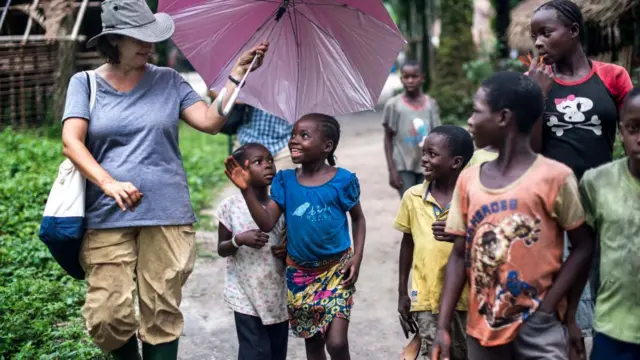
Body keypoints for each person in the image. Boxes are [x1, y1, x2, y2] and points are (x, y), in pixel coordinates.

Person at [60, 0, 269, 357]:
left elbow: (210, 121)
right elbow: (71, 142)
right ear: (114, 41)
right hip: (108, 215)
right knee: (107, 315)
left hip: (167, 213)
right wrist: (108, 183)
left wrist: (236, 75)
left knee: (161, 314)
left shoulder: (169, 80)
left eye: (150, 37)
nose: (148, 45)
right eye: (137, 38)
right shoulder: (86, 83)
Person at [431, 72, 594, 360]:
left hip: (539, 329)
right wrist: (443, 325)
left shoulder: (554, 177)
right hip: (483, 328)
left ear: (503, 118)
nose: (470, 120)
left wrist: (553, 308)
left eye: (477, 111)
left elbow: (583, 246)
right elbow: (458, 255)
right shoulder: (468, 180)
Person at [527, 0, 634, 341]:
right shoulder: (533, 83)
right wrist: (535, 97)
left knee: (609, 283)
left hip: (608, 201)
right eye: (534, 36)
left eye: (546, 33)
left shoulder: (612, 77)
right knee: (576, 297)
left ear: (573, 32)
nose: (539, 43)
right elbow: (529, 152)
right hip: (557, 207)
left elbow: (632, 130)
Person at [224, 113, 366, 360]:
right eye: (293, 135)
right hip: (300, 275)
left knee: (336, 342)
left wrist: (358, 256)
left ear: (327, 146)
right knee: (314, 342)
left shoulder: (343, 180)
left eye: (304, 135)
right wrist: (246, 189)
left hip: (336, 271)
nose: (294, 141)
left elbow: (358, 219)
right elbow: (267, 223)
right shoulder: (285, 181)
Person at [394, 125, 474, 360]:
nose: (424, 160)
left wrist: (461, 233)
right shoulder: (413, 197)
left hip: (467, 299)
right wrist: (402, 293)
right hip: (427, 299)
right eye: (424, 153)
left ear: (456, 162)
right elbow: (407, 244)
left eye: (433, 154)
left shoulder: (472, 197)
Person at [580, 87, 640, 359]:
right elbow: (584, 251)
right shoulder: (597, 183)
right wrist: (570, 317)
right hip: (613, 330)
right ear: (621, 131)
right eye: (633, 128)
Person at [216, 143, 289, 360]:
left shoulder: (280, 205)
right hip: (244, 294)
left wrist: (286, 250)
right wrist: (239, 240)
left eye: (270, 160)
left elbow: (290, 241)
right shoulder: (230, 207)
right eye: (258, 162)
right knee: (254, 353)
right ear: (241, 172)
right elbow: (221, 249)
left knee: (276, 354)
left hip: (276, 294)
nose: (267, 165)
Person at [384, 60, 442, 197]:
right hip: (403, 165)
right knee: (409, 204)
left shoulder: (430, 104)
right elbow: (388, 138)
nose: (410, 81)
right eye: (406, 77)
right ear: (401, 79)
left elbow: (438, 136)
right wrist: (392, 170)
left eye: (414, 77)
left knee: (427, 204)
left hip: (427, 165)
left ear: (422, 78)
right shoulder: (394, 105)